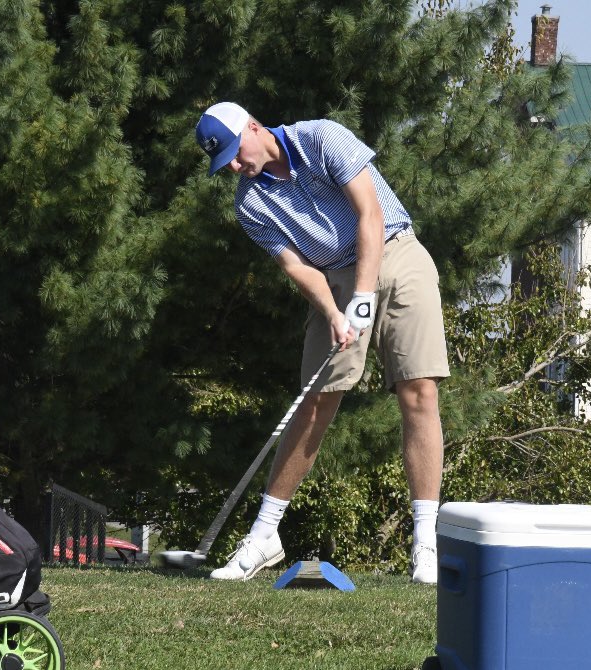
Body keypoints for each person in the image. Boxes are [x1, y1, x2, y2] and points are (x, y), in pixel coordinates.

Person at [194, 102, 450, 584]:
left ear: (253, 127)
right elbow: (296, 267)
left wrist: (365, 296)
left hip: (396, 252)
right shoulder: (250, 204)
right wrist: (336, 311)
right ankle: (265, 536)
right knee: (314, 402)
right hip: (333, 280)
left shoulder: (322, 138)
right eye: (222, 161)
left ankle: (426, 543)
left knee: (420, 391)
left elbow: (370, 214)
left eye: (233, 152)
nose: (233, 166)